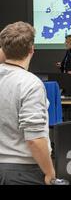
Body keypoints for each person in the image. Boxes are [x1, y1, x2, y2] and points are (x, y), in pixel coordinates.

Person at [0, 22, 56, 185]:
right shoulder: (30, 83)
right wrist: (49, 171)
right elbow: (34, 139)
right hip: (23, 173)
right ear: (32, 50)